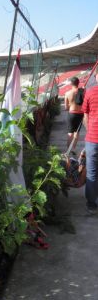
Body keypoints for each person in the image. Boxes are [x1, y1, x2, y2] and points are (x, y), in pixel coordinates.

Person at [82, 66, 98, 214]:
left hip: (92, 138)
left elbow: (85, 115)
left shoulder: (90, 92)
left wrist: (90, 130)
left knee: (92, 172)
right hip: (92, 137)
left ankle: (91, 204)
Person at [64, 77, 84, 154]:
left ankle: (68, 150)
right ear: (78, 83)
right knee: (77, 133)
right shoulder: (82, 92)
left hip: (72, 114)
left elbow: (66, 107)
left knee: (70, 133)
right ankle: (73, 149)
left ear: (71, 84)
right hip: (80, 114)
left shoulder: (67, 93)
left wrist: (70, 105)